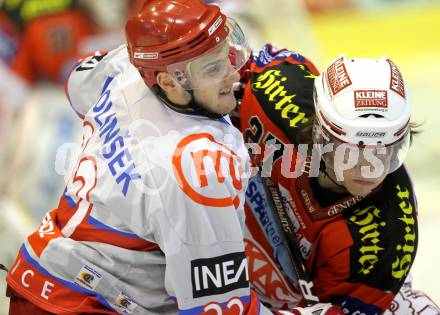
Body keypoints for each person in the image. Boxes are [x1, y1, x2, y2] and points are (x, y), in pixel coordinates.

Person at [3, 1, 342, 314]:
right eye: (212, 69)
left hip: (44, 273)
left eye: (227, 54)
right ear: (170, 82)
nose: (233, 73)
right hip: (85, 303)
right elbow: (219, 308)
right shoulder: (199, 171)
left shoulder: (128, 68)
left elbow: (78, 83)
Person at [238, 43, 440, 314]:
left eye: (384, 150)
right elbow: (227, 61)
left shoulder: (387, 234)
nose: (371, 168)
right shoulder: (276, 91)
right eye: (353, 150)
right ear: (321, 135)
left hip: (307, 298)